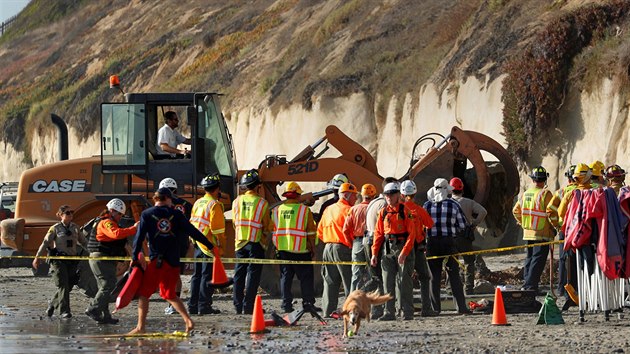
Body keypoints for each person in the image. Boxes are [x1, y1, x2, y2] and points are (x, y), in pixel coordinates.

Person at [127, 187, 214, 335]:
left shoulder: (147, 214)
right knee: (169, 294)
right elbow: (192, 231)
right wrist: (209, 244)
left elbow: (139, 237)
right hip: (173, 262)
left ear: (155, 199)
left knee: (144, 294)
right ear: (167, 199)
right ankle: (188, 320)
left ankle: (141, 327)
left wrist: (135, 256)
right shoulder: (176, 214)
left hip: (157, 261)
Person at [85, 199, 138, 324]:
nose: (120, 217)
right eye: (119, 214)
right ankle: (93, 308)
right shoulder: (106, 222)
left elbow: (122, 242)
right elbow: (116, 234)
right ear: (112, 211)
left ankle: (105, 315)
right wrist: (133, 229)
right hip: (100, 258)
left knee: (104, 286)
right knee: (108, 284)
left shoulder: (110, 222)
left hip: (104, 258)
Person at [370, 182, 416, 321]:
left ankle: (407, 311)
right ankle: (389, 312)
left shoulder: (405, 211)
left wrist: (404, 252)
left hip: (402, 246)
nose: (389, 197)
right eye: (386, 194)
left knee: (404, 282)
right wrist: (374, 254)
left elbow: (412, 234)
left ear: (397, 195)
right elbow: (378, 234)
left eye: (391, 194)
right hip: (387, 247)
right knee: (387, 281)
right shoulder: (383, 212)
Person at [423, 178, 470, 315]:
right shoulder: (453, 205)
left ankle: (435, 309)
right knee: (454, 274)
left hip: (431, 242)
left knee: (434, 277)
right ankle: (461, 307)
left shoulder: (427, 205)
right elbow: (462, 225)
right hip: (449, 242)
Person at [271, 181, 319, 313]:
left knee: (286, 278)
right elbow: (310, 232)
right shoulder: (304, 210)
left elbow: (273, 229)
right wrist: (313, 250)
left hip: (283, 249)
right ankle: (308, 303)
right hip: (301, 249)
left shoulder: (277, 210)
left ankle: (286, 305)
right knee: (306, 278)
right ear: (298, 196)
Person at [32, 205, 87, 319]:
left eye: (71, 212)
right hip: (58, 261)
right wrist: (37, 257)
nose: (71, 214)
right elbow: (45, 243)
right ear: (61, 215)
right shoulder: (55, 228)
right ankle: (64, 311)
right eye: (67, 213)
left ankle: (52, 304)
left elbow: (84, 242)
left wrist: (93, 254)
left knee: (69, 285)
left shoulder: (75, 227)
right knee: (63, 285)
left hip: (71, 261)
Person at [232, 169, 272, 314]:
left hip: (240, 243)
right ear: (257, 186)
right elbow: (267, 226)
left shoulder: (236, 202)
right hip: (256, 243)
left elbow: (234, 222)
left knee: (239, 274)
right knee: (253, 276)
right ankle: (248, 307)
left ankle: (237, 306)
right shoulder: (262, 203)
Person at [512, 166, 554, 293]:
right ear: (544, 180)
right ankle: (531, 285)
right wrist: (554, 227)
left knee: (530, 258)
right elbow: (551, 212)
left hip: (528, 232)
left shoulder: (526, 194)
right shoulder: (545, 194)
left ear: (533, 179)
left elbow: (515, 211)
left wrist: (522, 222)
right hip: (541, 232)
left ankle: (527, 283)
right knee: (538, 259)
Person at [188, 174, 225, 315]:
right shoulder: (215, 205)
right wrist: (221, 246)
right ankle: (204, 306)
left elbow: (191, 222)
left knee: (196, 275)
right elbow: (218, 231)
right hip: (209, 245)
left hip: (197, 243)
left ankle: (192, 305)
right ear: (217, 189)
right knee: (207, 276)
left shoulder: (198, 202)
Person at [318, 182, 357, 317]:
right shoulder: (349, 210)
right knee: (349, 281)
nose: (356, 199)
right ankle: (351, 311)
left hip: (327, 248)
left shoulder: (328, 209)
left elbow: (320, 231)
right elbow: (353, 232)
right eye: (354, 196)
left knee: (329, 281)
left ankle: (328, 312)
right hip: (343, 248)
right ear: (347, 195)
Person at [400, 180, 437, 317]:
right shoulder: (419, 210)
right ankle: (426, 309)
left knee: (404, 279)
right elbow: (429, 224)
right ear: (415, 193)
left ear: (402, 194)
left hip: (403, 248)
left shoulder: (399, 210)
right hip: (418, 247)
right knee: (424, 277)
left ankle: (404, 309)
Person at [159, 178, 194, 315]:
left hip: (167, 243)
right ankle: (174, 303)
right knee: (176, 274)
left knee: (169, 274)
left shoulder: (163, 205)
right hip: (182, 243)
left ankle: (172, 304)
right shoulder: (186, 205)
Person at [364, 176, 397, 319]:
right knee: (383, 278)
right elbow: (384, 228)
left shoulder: (373, 202)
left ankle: (375, 308)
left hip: (367, 240)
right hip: (377, 240)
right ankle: (379, 308)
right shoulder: (384, 204)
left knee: (375, 276)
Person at [449, 177, 487, 295]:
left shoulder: (447, 203)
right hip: (465, 236)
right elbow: (483, 212)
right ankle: (468, 289)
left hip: (450, 236)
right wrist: (474, 224)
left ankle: (450, 290)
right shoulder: (468, 202)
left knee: (451, 262)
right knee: (469, 262)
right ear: (462, 189)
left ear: (450, 190)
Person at [546, 165, 577, 305]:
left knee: (565, 260)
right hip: (582, 231)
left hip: (565, 231)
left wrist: (557, 226)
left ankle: (564, 289)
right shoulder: (587, 190)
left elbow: (550, 210)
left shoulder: (561, 192)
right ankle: (578, 289)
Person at [343, 183, 377, 293]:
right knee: (373, 274)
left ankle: (353, 304)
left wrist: (351, 244)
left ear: (361, 195)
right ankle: (371, 303)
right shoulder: (374, 209)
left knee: (356, 275)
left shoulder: (353, 209)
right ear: (373, 196)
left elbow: (345, 230)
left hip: (357, 242)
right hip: (371, 241)